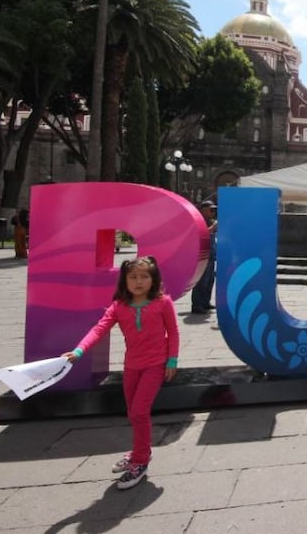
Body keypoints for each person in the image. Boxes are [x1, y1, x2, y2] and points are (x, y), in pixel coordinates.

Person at [62, 256, 179, 490]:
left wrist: (172, 361)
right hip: (131, 366)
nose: (138, 282)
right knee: (133, 412)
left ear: (153, 279)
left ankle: (140, 461)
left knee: (139, 411)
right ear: (124, 281)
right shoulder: (119, 306)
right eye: (133, 277)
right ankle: (139, 450)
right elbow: (99, 328)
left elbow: (173, 332)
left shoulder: (163, 302)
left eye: (144, 276)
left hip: (155, 365)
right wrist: (79, 350)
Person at [190, 200, 217, 315]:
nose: (213, 211)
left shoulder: (210, 221)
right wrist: (213, 228)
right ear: (203, 210)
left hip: (211, 255)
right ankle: (197, 305)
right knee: (201, 281)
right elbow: (201, 235)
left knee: (210, 280)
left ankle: (206, 302)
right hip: (202, 256)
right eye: (211, 209)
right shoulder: (198, 221)